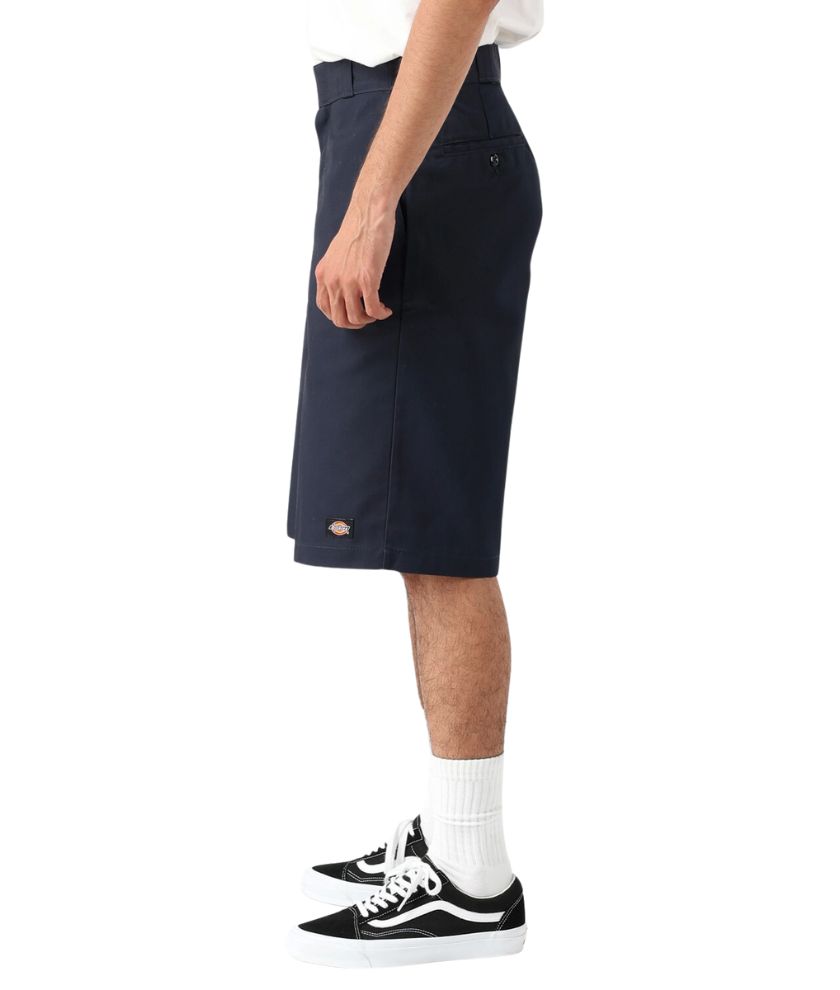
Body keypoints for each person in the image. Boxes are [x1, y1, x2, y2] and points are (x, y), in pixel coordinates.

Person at [286, 0, 543, 967]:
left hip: (415, 141)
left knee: (436, 529)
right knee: (412, 524)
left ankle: (474, 879)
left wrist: (374, 200)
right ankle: (453, 837)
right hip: (397, 134)